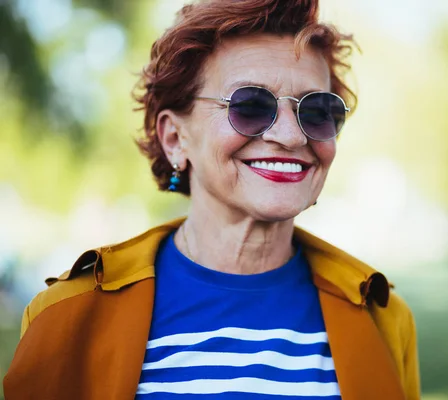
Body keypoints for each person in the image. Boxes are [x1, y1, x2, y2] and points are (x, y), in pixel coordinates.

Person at [3, 1, 420, 399]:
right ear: (175, 138)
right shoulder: (67, 317)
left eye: (316, 111)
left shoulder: (382, 317)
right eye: (252, 105)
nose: (292, 137)